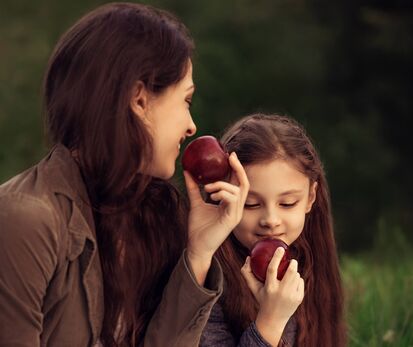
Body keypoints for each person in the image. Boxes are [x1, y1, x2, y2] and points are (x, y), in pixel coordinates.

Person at [0, 3, 249, 346]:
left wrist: (199, 253)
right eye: (186, 100)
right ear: (139, 99)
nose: (191, 126)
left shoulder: (148, 218)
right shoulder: (26, 219)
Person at [200, 114, 346, 347]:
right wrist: (270, 321)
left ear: (310, 197)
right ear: (223, 196)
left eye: (287, 203)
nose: (270, 220)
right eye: (250, 204)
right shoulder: (209, 281)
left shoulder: (312, 265)